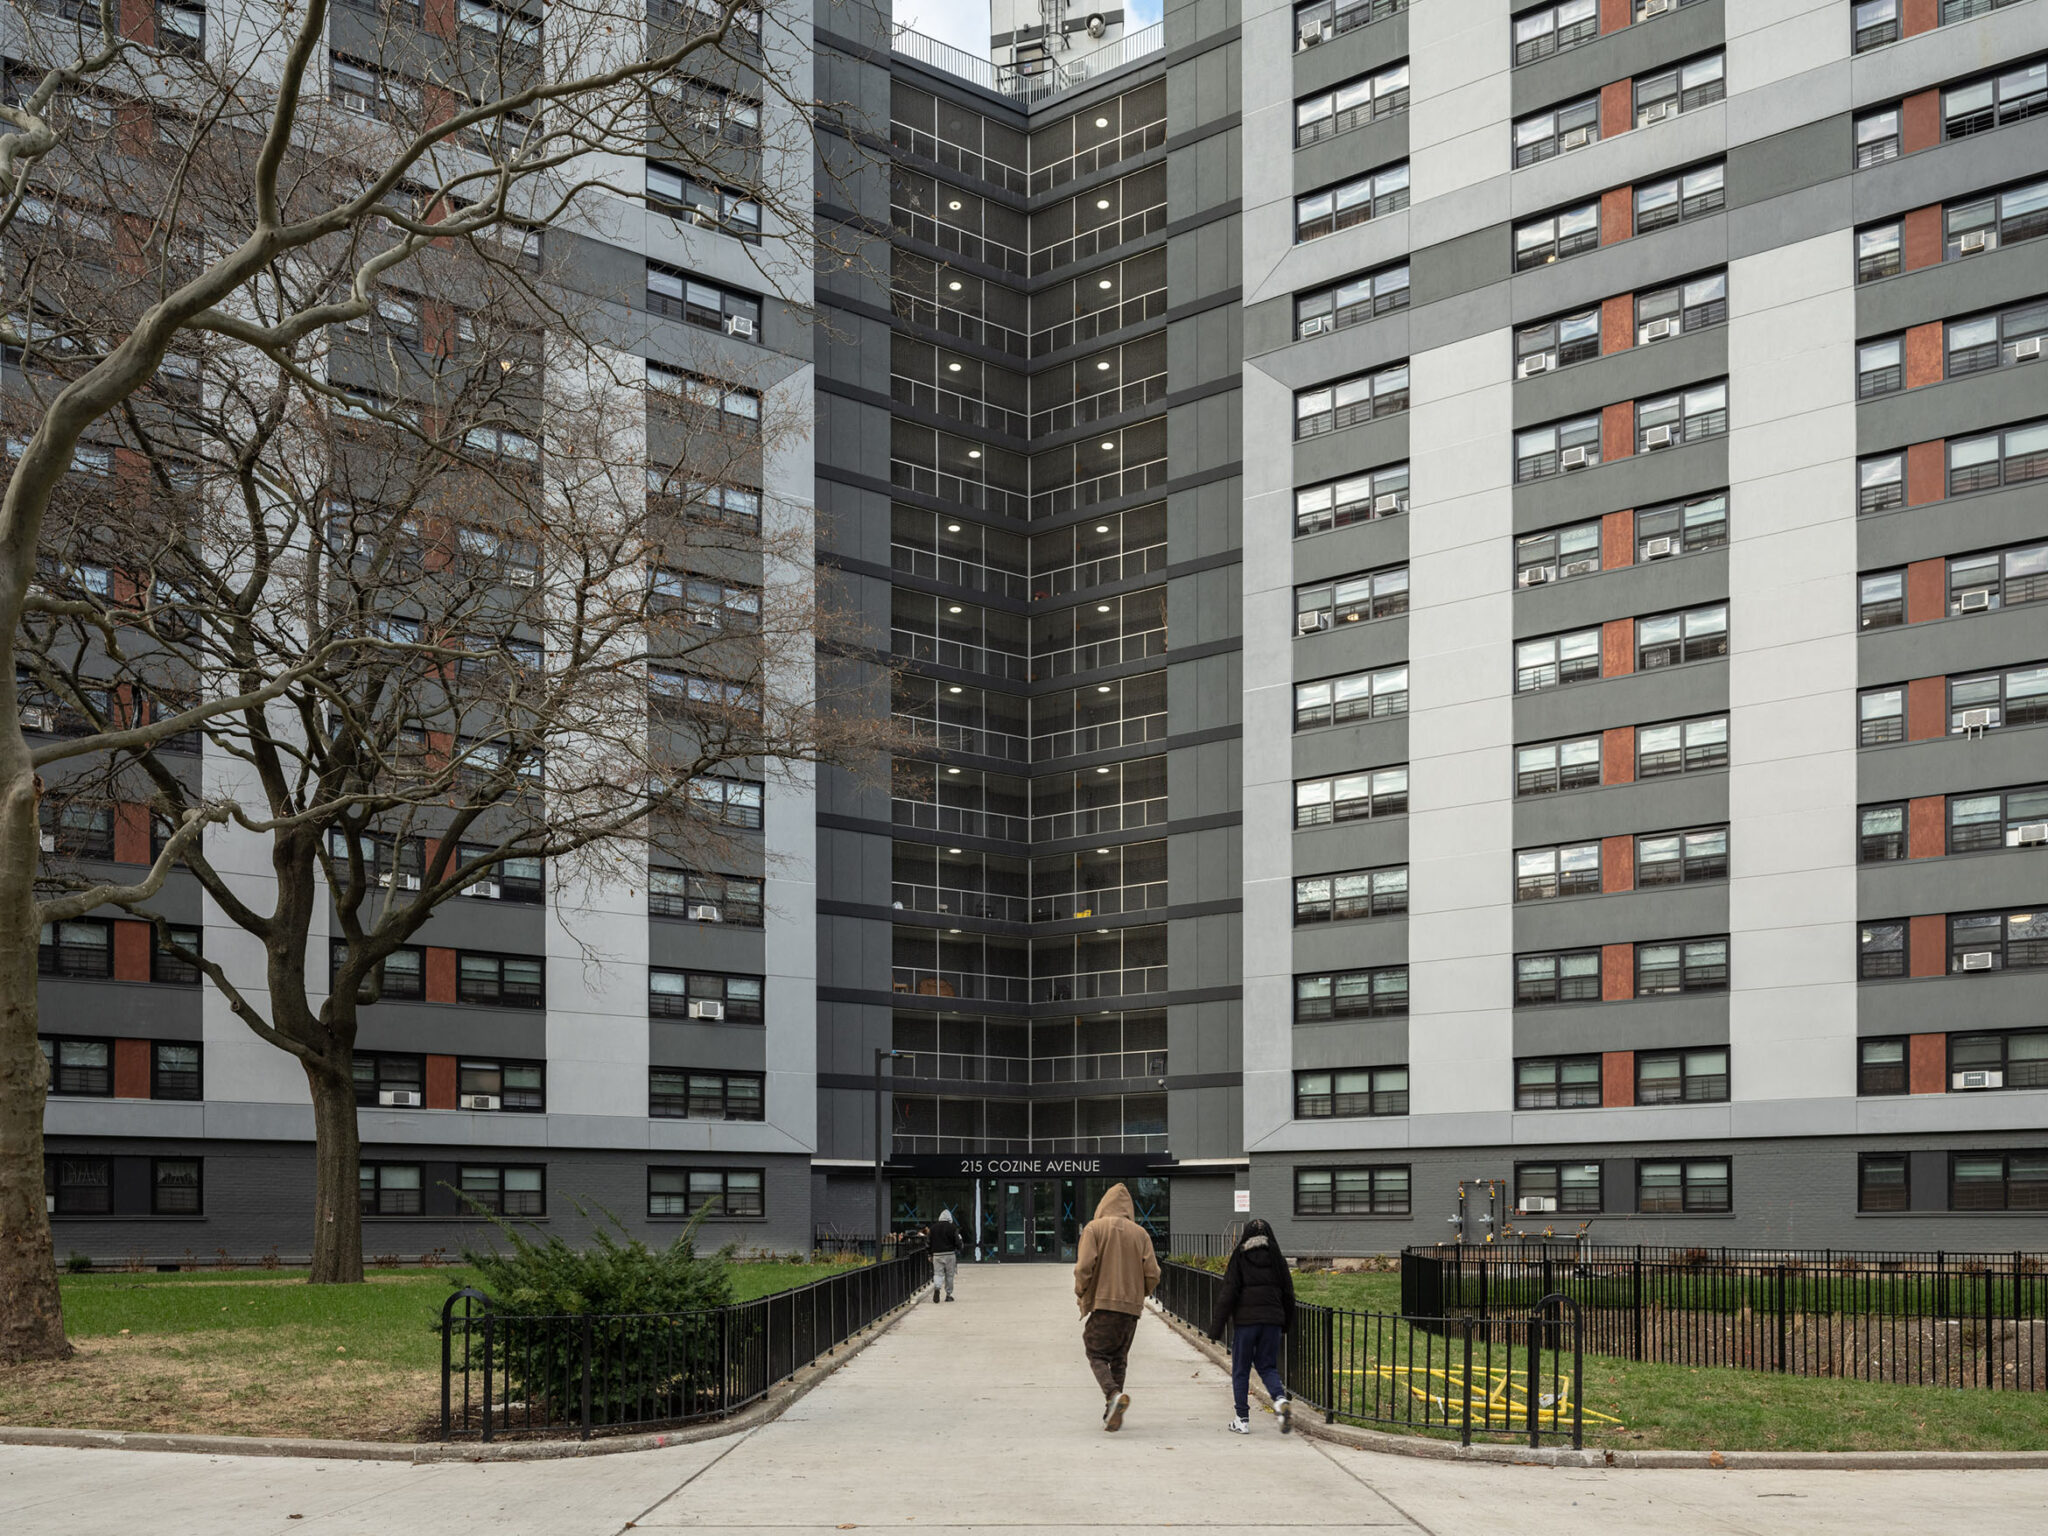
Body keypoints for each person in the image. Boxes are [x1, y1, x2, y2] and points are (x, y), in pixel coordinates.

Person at [1072, 1182, 1161, 1432]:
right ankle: (1111, 1410)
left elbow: (1083, 1267)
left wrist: (1081, 1290)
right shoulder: (1140, 1233)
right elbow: (1153, 1273)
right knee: (1119, 1358)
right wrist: (1139, 1293)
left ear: (1103, 1205)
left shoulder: (1094, 1229)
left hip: (1104, 1303)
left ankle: (1112, 1396)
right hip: (1131, 1309)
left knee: (1095, 1352)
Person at [1208, 1217, 1295, 1435]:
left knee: (1241, 1370)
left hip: (1246, 1323)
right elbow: (1288, 1294)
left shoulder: (1239, 1257)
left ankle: (1242, 1419)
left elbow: (1228, 1293)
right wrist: (1286, 1324)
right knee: (1267, 1367)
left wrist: (1216, 1328)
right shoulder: (1278, 1259)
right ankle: (1280, 1399)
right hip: (1272, 1321)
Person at [925, 1208, 962, 1302]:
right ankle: (948, 1294)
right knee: (949, 1275)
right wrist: (959, 1248)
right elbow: (957, 1241)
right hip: (950, 1254)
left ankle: (937, 1287)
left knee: (938, 1273)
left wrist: (929, 1254)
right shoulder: (953, 1228)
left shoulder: (932, 1228)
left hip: (937, 1255)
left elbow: (928, 1242)